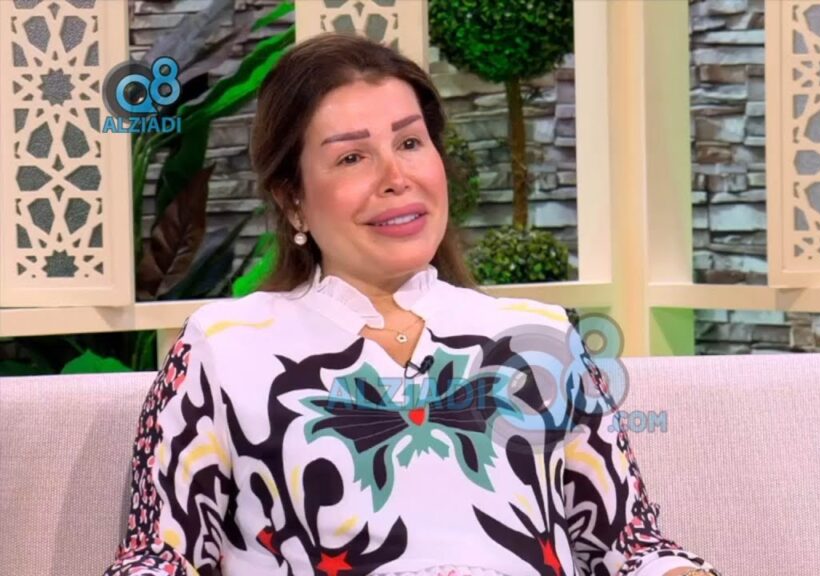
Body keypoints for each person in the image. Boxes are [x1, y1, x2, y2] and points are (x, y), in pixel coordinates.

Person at [104, 32, 721, 576]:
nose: (395, 177)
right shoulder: (225, 346)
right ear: (293, 199)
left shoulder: (541, 337)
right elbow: (158, 555)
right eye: (352, 156)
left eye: (410, 143)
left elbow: (629, 547)